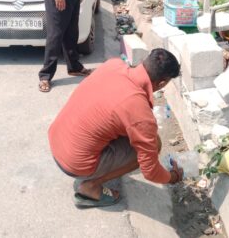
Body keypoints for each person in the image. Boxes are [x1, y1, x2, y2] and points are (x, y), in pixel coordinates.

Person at [48, 48, 183, 208]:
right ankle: (91, 187)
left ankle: (100, 166)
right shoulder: (139, 111)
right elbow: (150, 171)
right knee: (154, 144)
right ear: (161, 83)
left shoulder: (113, 65)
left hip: (56, 139)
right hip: (74, 164)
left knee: (135, 133)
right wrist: (173, 177)